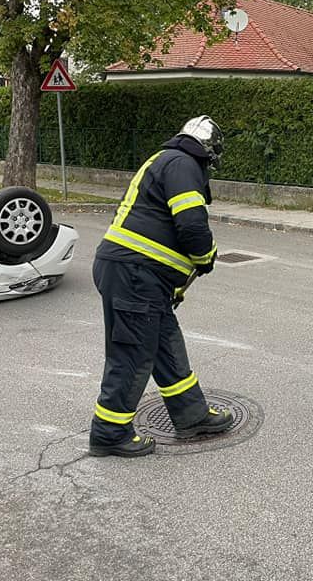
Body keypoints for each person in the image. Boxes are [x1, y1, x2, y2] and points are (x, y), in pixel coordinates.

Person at [88, 115, 232, 457]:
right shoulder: (183, 164)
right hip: (135, 276)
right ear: (210, 150)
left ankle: (191, 415)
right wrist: (205, 256)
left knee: (165, 345)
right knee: (133, 354)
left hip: (138, 275)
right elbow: (192, 224)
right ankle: (109, 432)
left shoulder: (167, 159)